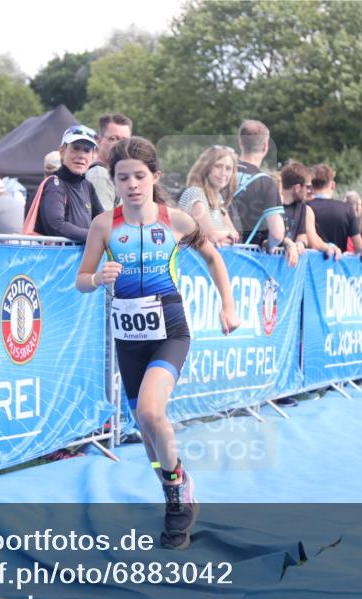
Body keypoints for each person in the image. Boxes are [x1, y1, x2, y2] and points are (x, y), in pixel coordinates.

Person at [75, 137, 239, 549]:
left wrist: (228, 305)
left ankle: (177, 499)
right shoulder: (103, 225)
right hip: (128, 338)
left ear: (155, 177)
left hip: (170, 330)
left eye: (139, 176)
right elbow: (82, 279)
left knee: (151, 412)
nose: (131, 185)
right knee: (147, 430)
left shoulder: (176, 220)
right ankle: (174, 486)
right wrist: (97, 279)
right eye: (122, 177)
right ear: (112, 181)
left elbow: (213, 257)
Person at [232, 120, 298, 266]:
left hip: (213, 256)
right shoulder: (266, 183)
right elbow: (277, 233)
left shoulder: (221, 173)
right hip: (246, 261)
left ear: (241, 142)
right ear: (265, 146)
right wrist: (270, 246)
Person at [36, 124, 105, 242]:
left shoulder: (88, 186)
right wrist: (95, 236)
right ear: (62, 151)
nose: (81, 155)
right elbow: (56, 226)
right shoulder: (54, 184)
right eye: (76, 148)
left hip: (82, 259)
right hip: (57, 259)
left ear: (93, 156)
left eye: (87, 150)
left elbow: (104, 221)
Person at [177, 145, 241, 246]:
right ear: (206, 168)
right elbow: (212, 235)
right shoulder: (195, 193)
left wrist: (224, 237)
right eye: (218, 166)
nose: (223, 173)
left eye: (228, 168)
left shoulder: (218, 197)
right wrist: (226, 235)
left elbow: (235, 236)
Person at [308, 164, 362, 258]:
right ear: (332, 185)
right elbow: (359, 245)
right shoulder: (347, 209)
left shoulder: (305, 207)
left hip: (309, 266)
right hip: (338, 266)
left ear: (311, 185)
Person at [86, 113, 133, 211]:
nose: (120, 145)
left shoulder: (113, 173)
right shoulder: (99, 175)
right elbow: (106, 222)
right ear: (99, 140)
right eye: (113, 139)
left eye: (125, 140)